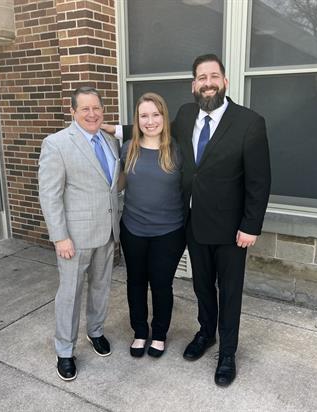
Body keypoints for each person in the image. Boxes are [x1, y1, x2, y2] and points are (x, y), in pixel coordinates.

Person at [106, 54, 271, 387]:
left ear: (224, 81)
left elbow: (259, 180)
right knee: (201, 286)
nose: (207, 83)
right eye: (201, 77)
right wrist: (105, 127)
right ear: (194, 85)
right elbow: (150, 130)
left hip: (231, 229)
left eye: (213, 76)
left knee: (230, 291)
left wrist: (251, 226)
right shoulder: (184, 115)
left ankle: (227, 354)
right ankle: (206, 333)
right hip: (192, 224)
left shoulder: (249, 122)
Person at [38, 86, 120, 382]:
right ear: (72, 112)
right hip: (74, 237)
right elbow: (49, 194)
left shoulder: (110, 141)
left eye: (96, 107)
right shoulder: (57, 143)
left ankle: (95, 331)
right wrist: (60, 237)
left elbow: (110, 185)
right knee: (70, 295)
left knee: (101, 288)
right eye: (84, 108)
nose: (92, 113)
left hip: (108, 232)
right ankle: (65, 350)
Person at [119, 93, 186, 359]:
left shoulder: (177, 151)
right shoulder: (128, 149)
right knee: (135, 283)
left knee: (161, 285)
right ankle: (139, 332)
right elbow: (120, 184)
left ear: (164, 117)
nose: (150, 121)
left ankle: (158, 334)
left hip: (168, 232)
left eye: (155, 114)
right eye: (144, 115)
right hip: (133, 229)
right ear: (137, 120)